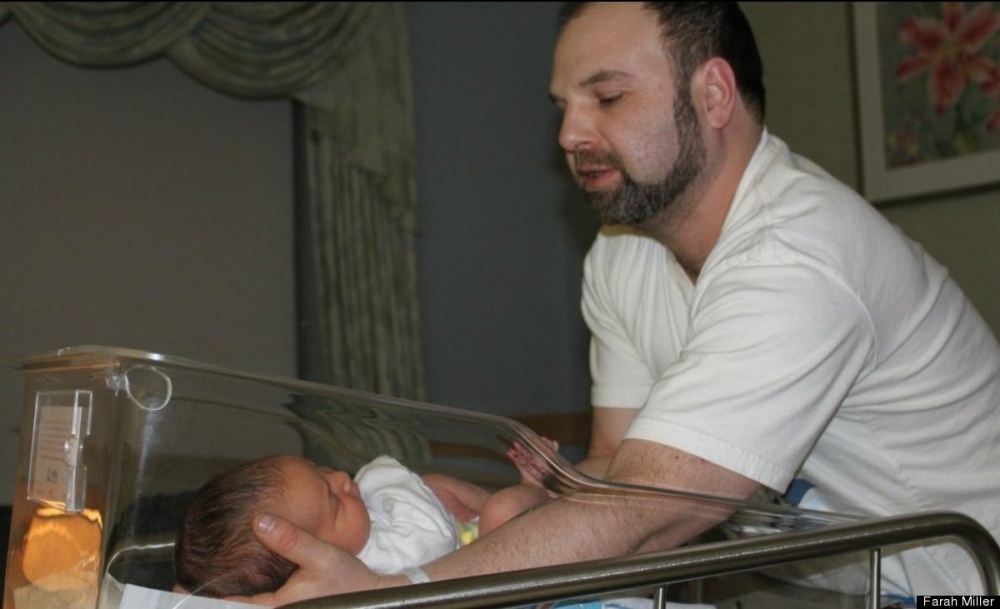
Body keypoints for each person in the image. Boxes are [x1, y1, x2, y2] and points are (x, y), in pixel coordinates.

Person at [236, 2, 1000, 605]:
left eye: (606, 96)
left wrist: (397, 593)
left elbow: (645, 515)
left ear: (713, 94)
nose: (571, 133)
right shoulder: (623, 253)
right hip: (855, 583)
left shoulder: (799, 256)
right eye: (564, 105)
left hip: (971, 579)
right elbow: (613, 473)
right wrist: (503, 514)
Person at [175, 451, 551, 598]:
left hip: (474, 541)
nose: (342, 477)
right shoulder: (375, 567)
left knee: (437, 486)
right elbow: (432, 544)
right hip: (497, 589)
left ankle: (541, 504)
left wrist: (429, 490)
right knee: (502, 509)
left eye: (320, 469)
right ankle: (537, 491)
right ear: (319, 558)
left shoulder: (356, 523)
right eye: (332, 499)